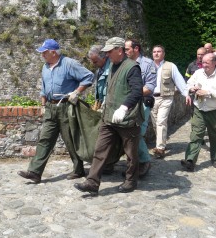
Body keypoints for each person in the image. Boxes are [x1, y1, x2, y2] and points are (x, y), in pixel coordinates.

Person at [17, 39, 94, 183]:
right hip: (50, 108)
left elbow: (88, 76)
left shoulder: (69, 63)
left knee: (70, 139)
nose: (42, 55)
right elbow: (44, 88)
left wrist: (77, 92)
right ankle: (34, 172)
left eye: (44, 52)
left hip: (66, 106)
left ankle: (78, 169)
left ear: (53, 52)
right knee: (45, 139)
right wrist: (42, 104)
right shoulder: (45, 67)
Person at [74, 37, 143, 194]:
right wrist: (106, 102)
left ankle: (131, 181)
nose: (107, 55)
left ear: (120, 50)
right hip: (109, 117)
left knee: (131, 153)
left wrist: (124, 107)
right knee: (100, 149)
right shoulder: (112, 65)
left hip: (127, 119)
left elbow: (137, 90)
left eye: (109, 51)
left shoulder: (132, 67)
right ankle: (92, 182)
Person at [150, 45, 191, 158]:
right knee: (155, 123)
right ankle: (162, 141)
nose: (156, 54)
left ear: (163, 54)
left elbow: (179, 81)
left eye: (159, 51)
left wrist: (186, 94)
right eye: (154, 52)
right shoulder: (148, 66)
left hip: (166, 98)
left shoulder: (170, 66)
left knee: (161, 121)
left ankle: (160, 148)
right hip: (151, 99)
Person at [124, 39, 157, 177]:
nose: (125, 51)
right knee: (127, 132)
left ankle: (144, 161)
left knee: (137, 132)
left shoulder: (148, 64)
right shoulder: (124, 63)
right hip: (127, 103)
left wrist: (133, 94)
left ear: (136, 48)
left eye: (127, 49)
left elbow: (150, 86)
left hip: (142, 102)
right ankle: (133, 163)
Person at [181, 53, 216, 171]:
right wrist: (192, 89)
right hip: (199, 109)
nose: (204, 65)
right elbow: (188, 84)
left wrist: (208, 93)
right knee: (196, 134)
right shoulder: (198, 73)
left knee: (214, 136)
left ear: (214, 63)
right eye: (203, 62)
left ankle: (215, 158)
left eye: (207, 62)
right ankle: (190, 160)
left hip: (213, 111)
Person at [88, 44, 110, 110]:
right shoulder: (99, 70)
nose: (93, 64)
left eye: (95, 62)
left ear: (103, 58)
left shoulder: (112, 70)